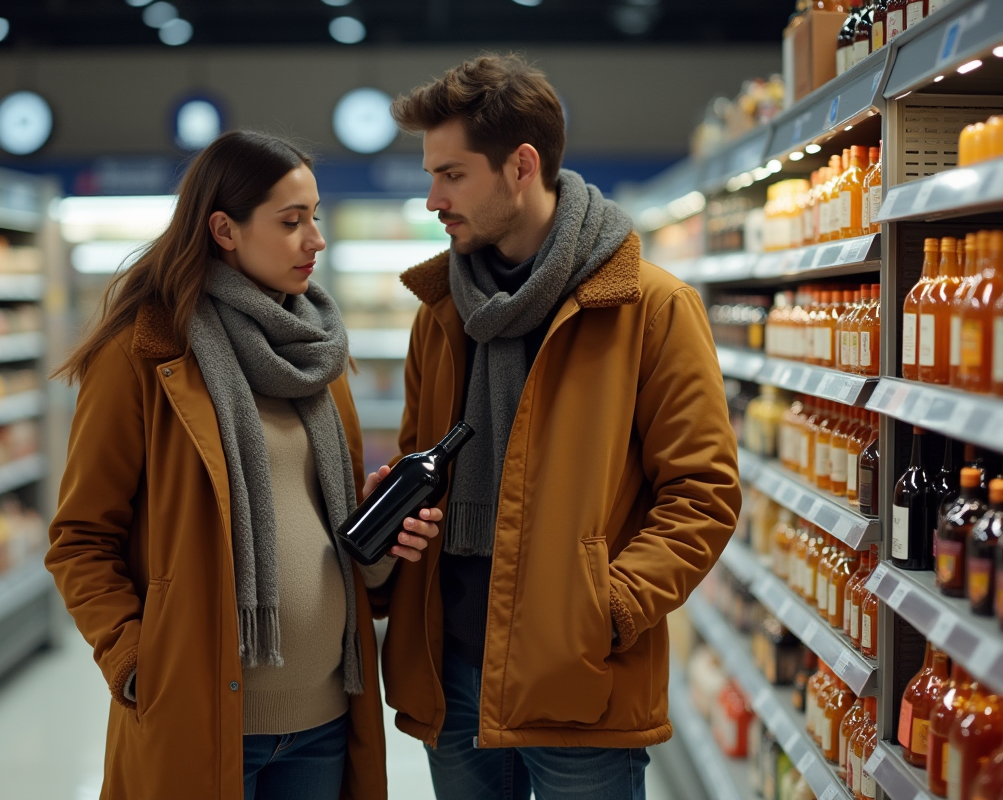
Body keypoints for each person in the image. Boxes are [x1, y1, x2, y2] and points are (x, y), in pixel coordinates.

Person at [367, 54, 742, 800]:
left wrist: (607, 608)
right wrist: (399, 517)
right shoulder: (440, 315)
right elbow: (421, 456)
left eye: (452, 174)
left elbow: (703, 494)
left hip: (579, 684)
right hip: (453, 676)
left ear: (521, 166)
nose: (432, 196)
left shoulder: (650, 309)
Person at [45, 131, 439, 800]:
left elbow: (319, 528)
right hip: (201, 719)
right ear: (224, 229)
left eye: (315, 215)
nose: (315, 239)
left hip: (325, 719)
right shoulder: (145, 356)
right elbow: (80, 538)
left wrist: (376, 542)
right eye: (291, 222)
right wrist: (137, 661)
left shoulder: (316, 355)